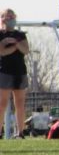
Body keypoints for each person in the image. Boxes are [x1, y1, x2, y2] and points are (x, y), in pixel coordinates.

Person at [0, 8, 29, 138]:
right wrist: (6, 44)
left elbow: (25, 50)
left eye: (13, 17)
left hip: (20, 72)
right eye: (8, 17)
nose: (11, 19)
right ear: (3, 18)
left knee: (20, 103)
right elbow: (2, 52)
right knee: (2, 103)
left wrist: (16, 44)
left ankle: (20, 132)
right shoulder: (1, 34)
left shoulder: (21, 35)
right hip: (4, 72)